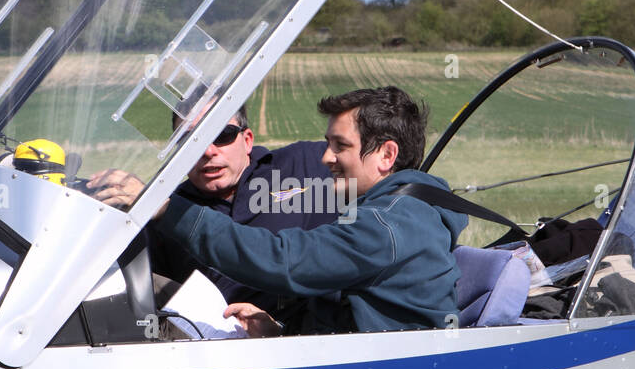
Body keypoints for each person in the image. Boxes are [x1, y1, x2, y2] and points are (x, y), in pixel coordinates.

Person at [151, 86, 467, 335]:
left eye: (340, 146)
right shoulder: (389, 210)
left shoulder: (387, 224)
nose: (326, 157)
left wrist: (169, 210)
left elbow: (284, 261)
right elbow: (347, 315)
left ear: (386, 155)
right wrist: (279, 330)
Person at [86, 105, 336, 314]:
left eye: (222, 134)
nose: (207, 151)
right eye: (190, 141)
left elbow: (371, 181)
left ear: (247, 140)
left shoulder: (308, 164)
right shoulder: (163, 215)